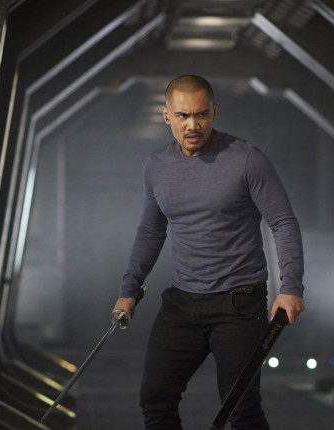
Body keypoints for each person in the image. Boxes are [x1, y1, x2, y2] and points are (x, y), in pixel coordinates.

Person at [112, 74, 305, 430]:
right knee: (155, 399)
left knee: (241, 410)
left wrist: (290, 287)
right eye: (183, 115)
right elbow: (151, 231)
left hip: (238, 303)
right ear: (166, 115)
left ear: (214, 112)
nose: (193, 125)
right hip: (181, 302)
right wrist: (129, 290)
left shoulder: (246, 159)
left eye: (201, 114)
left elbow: (283, 223)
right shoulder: (157, 165)